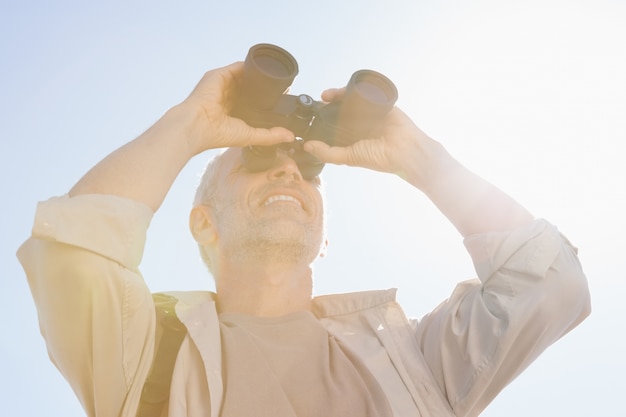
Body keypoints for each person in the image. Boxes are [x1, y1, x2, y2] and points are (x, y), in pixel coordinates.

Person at [18, 60, 590, 417]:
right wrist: (189, 123)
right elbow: (76, 252)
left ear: (323, 234)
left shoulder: (412, 358)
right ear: (203, 222)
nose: (289, 171)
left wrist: (417, 158)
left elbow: (550, 285)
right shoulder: (146, 358)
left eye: (306, 170)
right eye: (257, 160)